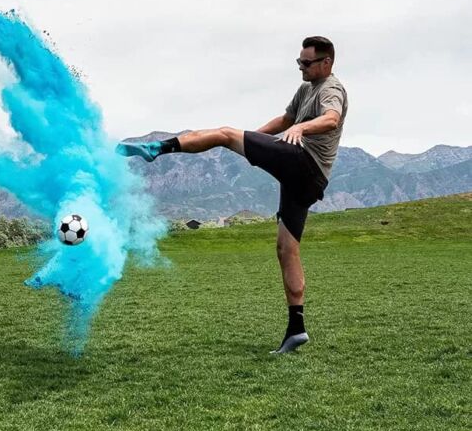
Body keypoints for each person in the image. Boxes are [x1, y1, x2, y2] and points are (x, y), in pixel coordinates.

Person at [117, 36, 348, 354]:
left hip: (303, 163)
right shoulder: (306, 89)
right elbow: (285, 120)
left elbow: (332, 118)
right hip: (305, 181)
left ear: (326, 63)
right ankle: (296, 329)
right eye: (298, 63)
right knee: (286, 250)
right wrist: (254, 139)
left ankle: (156, 149)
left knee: (224, 133)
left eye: (306, 64)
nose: (301, 68)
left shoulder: (331, 88)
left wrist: (301, 130)